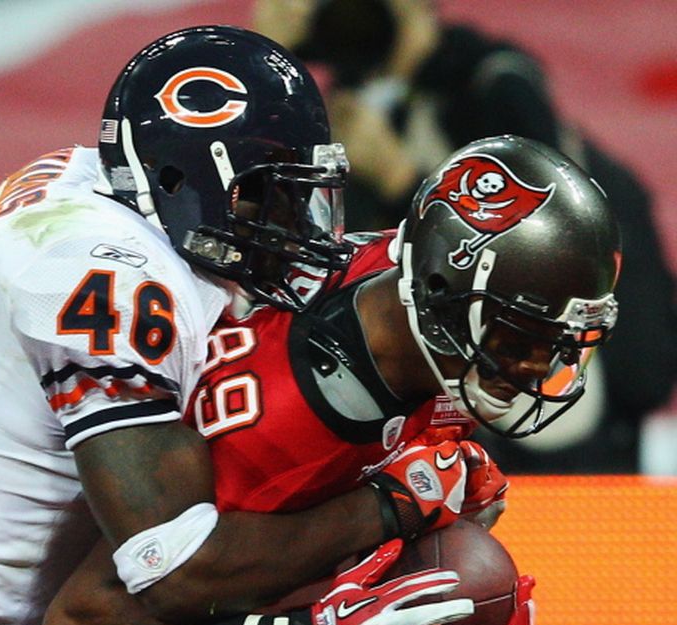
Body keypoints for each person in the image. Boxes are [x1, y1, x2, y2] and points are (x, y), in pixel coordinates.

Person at [0, 26, 476, 625]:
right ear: (185, 178)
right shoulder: (106, 280)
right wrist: (397, 503)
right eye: (268, 194)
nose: (292, 227)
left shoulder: (92, 190)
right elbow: (172, 565)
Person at [43, 135, 620, 625]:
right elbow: (83, 622)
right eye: (521, 339)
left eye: (559, 343)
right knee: (460, 590)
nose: (538, 370)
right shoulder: (279, 413)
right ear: (445, 292)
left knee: (471, 583)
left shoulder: (410, 291)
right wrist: (312, 620)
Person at [255, 0, 677, 473]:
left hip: (562, 393)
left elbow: (531, 244)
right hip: (460, 383)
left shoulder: (491, 86)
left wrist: (397, 175)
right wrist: (272, 60)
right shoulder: (358, 98)